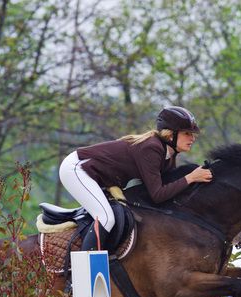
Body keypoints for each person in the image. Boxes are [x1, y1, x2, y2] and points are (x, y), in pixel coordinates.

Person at [59, 106, 213, 251]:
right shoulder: (152, 148)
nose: (192, 138)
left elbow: (167, 190)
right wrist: (191, 177)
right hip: (77, 168)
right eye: (187, 133)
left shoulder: (168, 155)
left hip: (95, 174)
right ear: (171, 134)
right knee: (106, 218)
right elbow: (158, 195)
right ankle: (87, 271)